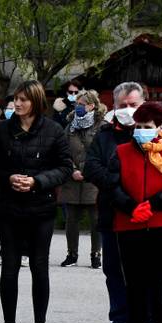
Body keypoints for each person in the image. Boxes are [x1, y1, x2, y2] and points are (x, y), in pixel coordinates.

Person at [0, 80, 73, 323]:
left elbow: (65, 167)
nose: (18, 104)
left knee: (39, 266)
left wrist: (38, 181)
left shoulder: (54, 130)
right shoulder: (2, 130)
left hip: (41, 207)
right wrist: (8, 178)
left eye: (23, 99)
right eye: (16, 99)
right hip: (10, 207)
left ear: (36, 101)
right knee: (9, 267)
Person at [83, 81, 147, 323]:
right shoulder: (105, 135)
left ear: (143, 104)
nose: (128, 110)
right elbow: (92, 169)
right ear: (114, 106)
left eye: (133, 105)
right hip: (112, 210)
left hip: (146, 214)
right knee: (113, 268)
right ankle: (120, 318)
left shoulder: (154, 133)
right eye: (123, 105)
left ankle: (150, 321)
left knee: (147, 271)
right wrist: (119, 181)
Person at [108, 101, 162, 323]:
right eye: (139, 126)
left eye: (147, 126)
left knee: (157, 283)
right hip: (129, 223)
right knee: (133, 283)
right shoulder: (121, 151)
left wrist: (155, 203)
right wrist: (130, 206)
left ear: (160, 127)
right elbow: (112, 185)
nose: (142, 130)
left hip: (160, 224)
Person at [59, 89, 105, 268]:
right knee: (71, 220)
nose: (77, 107)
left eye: (81, 104)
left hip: (93, 179)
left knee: (95, 220)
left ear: (91, 106)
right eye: (76, 104)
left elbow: (102, 152)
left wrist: (87, 171)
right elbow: (62, 150)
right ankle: (72, 254)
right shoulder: (70, 125)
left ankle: (96, 254)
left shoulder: (101, 125)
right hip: (72, 179)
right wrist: (71, 170)